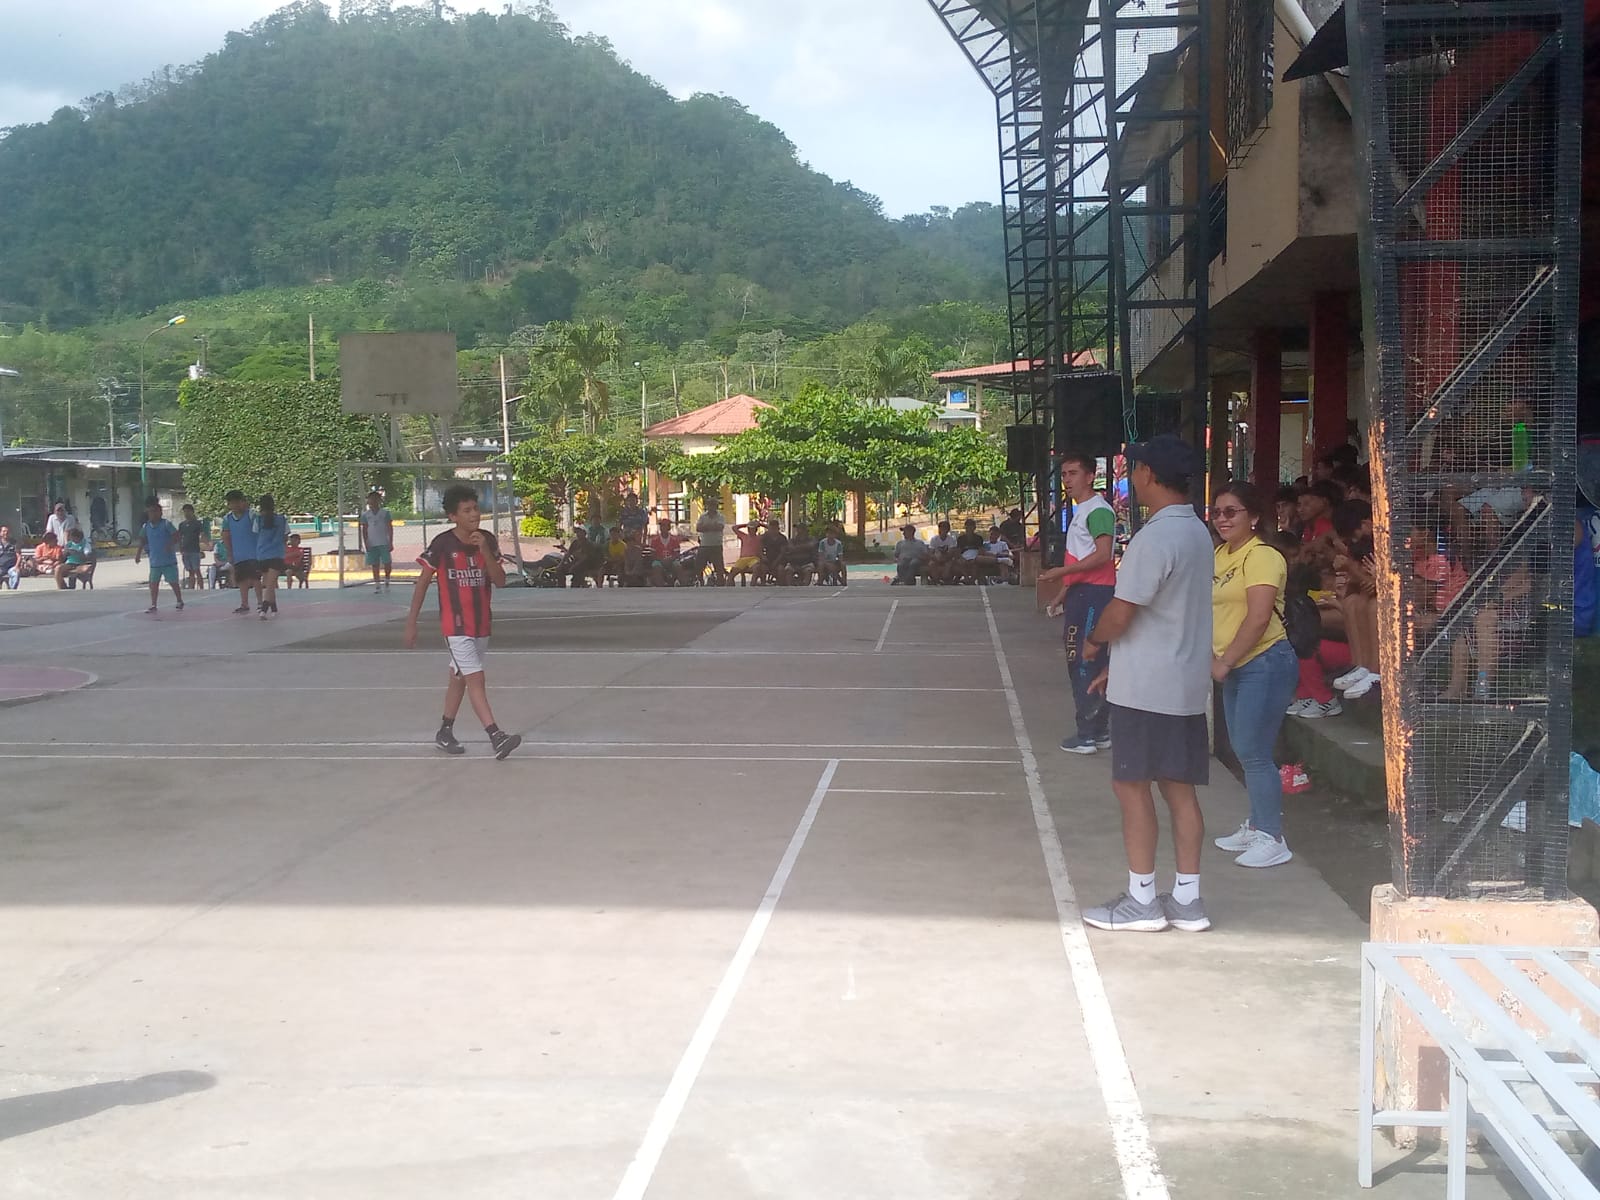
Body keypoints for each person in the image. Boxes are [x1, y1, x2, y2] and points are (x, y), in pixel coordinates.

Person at [1080, 434, 1215, 933]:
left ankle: (1141, 900)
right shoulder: (1197, 532)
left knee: (1131, 785)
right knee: (1179, 790)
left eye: (1134, 468)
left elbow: (1123, 611)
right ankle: (1187, 900)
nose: (1131, 477)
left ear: (1149, 475)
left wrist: (1094, 642)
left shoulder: (1154, 538)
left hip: (1147, 690)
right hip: (1183, 682)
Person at [1208, 482, 1299, 869]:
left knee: (1254, 751)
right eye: (1217, 512)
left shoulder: (1262, 556)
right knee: (1245, 748)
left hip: (1264, 660)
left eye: (1232, 511)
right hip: (1237, 663)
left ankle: (1272, 837)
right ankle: (1259, 823)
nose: (1222, 519)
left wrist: (1226, 660)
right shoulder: (1219, 554)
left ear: (1255, 517)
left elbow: (1259, 617)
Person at [403, 484, 521, 760]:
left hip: (481, 624)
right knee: (475, 677)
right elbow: (422, 583)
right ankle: (496, 735)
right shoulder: (443, 544)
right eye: (466, 511)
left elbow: (500, 581)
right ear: (453, 516)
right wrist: (411, 622)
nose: (474, 515)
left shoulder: (486, 540)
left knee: (459, 677)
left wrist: (486, 551)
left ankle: (445, 731)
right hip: (455, 626)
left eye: (475, 509)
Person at [1041, 452, 1119, 754]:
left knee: (1084, 659)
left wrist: (1061, 573)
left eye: (1073, 473)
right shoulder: (1082, 511)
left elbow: (1102, 555)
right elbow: (1082, 560)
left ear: (1090, 476)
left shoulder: (1097, 510)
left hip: (1094, 594)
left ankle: (1087, 733)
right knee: (1085, 659)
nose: (1067, 480)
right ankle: (1098, 730)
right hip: (1081, 593)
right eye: (1064, 474)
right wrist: (1062, 594)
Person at [135, 499, 184, 614]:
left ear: (160, 513)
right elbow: (142, 540)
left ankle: (179, 600)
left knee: (173, 582)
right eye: (150, 512)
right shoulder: (146, 526)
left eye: (154, 511)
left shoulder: (166, 524)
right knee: (153, 583)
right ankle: (153, 604)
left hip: (168, 561)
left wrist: (170, 544)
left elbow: (176, 536)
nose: (152, 514)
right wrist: (138, 554)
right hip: (155, 561)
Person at [221, 490, 261, 615]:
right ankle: (244, 604)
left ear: (243, 502)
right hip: (238, 555)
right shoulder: (227, 519)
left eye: (238, 502)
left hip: (254, 554)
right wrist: (229, 553)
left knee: (255, 579)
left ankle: (260, 603)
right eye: (232, 503)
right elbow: (226, 536)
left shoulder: (252, 515)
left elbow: (259, 532)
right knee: (241, 580)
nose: (236, 505)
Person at [254, 494, 288, 620]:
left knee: (268, 582)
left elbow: (255, 534)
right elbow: (285, 536)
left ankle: (274, 608)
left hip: (262, 554)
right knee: (270, 584)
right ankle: (264, 609)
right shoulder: (281, 519)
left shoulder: (258, 520)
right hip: (277, 554)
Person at [359, 491, 395, 591]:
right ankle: (377, 584)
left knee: (387, 563)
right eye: (371, 499)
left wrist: (390, 541)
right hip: (372, 543)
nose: (373, 501)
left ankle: (387, 580)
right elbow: (364, 529)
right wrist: (366, 542)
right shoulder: (366, 515)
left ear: (379, 500)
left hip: (384, 542)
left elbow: (389, 527)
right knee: (375, 564)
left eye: (375, 499)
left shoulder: (385, 513)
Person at [1297, 481, 1342, 545]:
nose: (1300, 510)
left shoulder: (1326, 525)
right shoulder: (1309, 526)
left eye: (1307, 503)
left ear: (1325, 501)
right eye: (1299, 505)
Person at [696, 498, 728, 585]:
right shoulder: (702, 516)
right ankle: (700, 582)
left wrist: (706, 527)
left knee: (719, 567)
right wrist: (712, 526)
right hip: (704, 545)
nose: (711, 507)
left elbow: (719, 527)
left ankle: (720, 583)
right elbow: (698, 528)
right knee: (699, 566)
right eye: (709, 505)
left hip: (716, 545)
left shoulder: (721, 517)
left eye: (713, 505)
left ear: (716, 506)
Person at [647, 517, 685, 586]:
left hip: (672, 560)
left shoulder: (674, 540)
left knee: (678, 566)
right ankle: (660, 586)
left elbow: (677, 554)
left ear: (669, 528)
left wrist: (670, 559)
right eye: (662, 526)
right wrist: (661, 560)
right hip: (658, 561)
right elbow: (652, 555)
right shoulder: (655, 540)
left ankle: (684, 585)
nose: (663, 528)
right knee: (656, 567)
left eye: (665, 526)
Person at [178, 504, 208, 590]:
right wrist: (180, 548)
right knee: (190, 572)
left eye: (188, 511)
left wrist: (206, 544)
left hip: (195, 550)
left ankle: (201, 588)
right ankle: (192, 588)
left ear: (192, 512)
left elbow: (202, 535)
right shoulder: (182, 525)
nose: (186, 513)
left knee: (197, 570)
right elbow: (180, 537)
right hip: (185, 550)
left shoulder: (197, 523)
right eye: (185, 512)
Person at [729, 519, 765, 586]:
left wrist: (760, 524)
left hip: (754, 558)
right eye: (749, 528)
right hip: (743, 559)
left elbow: (770, 529)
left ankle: (752, 585)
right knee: (732, 573)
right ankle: (729, 588)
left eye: (752, 528)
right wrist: (746, 524)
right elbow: (734, 528)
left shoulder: (759, 537)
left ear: (756, 529)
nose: (750, 530)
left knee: (757, 567)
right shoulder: (743, 536)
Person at [925, 520, 960, 585]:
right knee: (931, 564)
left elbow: (951, 552)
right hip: (936, 559)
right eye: (942, 528)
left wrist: (944, 559)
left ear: (948, 530)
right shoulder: (934, 539)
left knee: (949, 564)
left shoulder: (951, 539)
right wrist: (936, 559)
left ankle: (946, 579)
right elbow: (931, 553)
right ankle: (935, 579)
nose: (943, 530)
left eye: (945, 528)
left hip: (947, 559)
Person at [954, 518, 985, 583]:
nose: (969, 528)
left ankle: (972, 580)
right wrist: (961, 558)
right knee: (959, 562)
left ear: (974, 528)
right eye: (968, 526)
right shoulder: (960, 538)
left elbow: (981, 550)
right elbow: (958, 551)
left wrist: (975, 558)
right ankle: (966, 577)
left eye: (971, 526)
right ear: (965, 527)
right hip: (964, 557)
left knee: (976, 563)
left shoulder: (979, 538)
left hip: (975, 556)